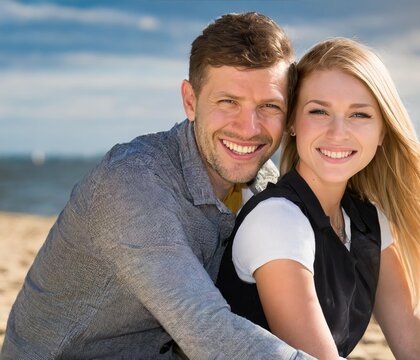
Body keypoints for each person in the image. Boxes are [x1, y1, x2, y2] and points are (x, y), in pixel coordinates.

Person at [2, 12, 314, 359]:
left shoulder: (265, 183)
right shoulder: (132, 182)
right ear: (191, 101)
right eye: (228, 102)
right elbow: (207, 328)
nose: (248, 127)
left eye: (269, 106)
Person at [216, 38, 420, 360]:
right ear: (293, 124)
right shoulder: (277, 219)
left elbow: (416, 343)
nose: (337, 132)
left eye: (359, 115)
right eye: (319, 111)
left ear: (383, 130)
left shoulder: (368, 220)